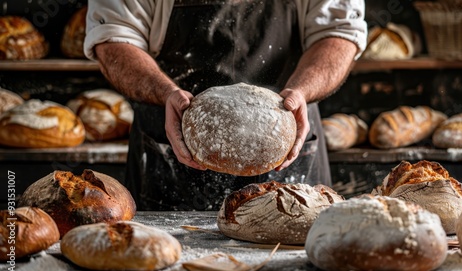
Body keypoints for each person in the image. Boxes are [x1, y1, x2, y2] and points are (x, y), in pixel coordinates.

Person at [84, 0, 367, 211]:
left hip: (288, 144)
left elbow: (338, 32)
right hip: (174, 143)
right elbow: (114, 38)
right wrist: (166, 92)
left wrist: (302, 91)